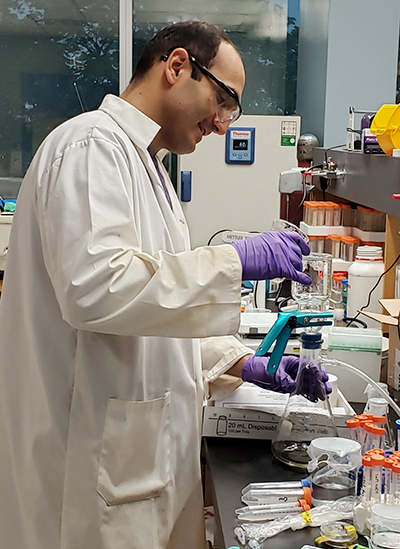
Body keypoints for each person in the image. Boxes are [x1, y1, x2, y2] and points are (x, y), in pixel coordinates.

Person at [0, 21, 328, 549]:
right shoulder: (91, 147)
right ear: (176, 67)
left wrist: (242, 363)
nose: (223, 125)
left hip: (139, 462)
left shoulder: (149, 167)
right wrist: (233, 262)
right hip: (90, 470)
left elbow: (155, 312)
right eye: (224, 100)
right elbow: (95, 288)